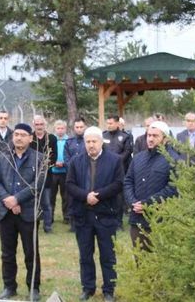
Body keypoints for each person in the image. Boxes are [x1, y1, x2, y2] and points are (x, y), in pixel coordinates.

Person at [66, 126, 123, 302]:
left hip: (106, 214)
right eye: (88, 141)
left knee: (107, 255)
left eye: (94, 141)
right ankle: (88, 288)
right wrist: (86, 196)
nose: (91, 145)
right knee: (85, 255)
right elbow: (69, 184)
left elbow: (118, 183)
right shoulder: (76, 161)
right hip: (83, 215)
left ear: (101, 142)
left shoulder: (114, 160)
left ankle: (109, 290)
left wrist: (98, 196)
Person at [0, 123, 46, 301]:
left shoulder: (40, 159)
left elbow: (38, 185)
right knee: (7, 253)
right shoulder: (3, 158)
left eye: (23, 134)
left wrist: (17, 199)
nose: (19, 137)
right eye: (16, 134)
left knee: (31, 253)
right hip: (6, 213)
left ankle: (34, 288)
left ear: (31, 138)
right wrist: (8, 199)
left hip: (28, 214)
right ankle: (9, 287)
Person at [124, 121, 180, 250]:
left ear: (165, 139)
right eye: (149, 135)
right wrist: (133, 202)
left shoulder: (173, 159)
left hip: (161, 220)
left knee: (160, 262)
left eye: (155, 136)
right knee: (140, 262)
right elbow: (128, 181)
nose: (150, 139)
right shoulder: (138, 158)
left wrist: (147, 204)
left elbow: (172, 188)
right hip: (137, 219)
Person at [103, 115, 132, 229]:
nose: (109, 125)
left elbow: (127, 151)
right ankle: (107, 219)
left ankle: (118, 223)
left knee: (119, 198)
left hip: (120, 170)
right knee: (106, 195)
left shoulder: (125, 136)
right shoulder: (103, 135)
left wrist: (115, 162)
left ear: (117, 124)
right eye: (108, 123)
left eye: (111, 123)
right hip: (105, 170)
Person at [30, 115, 57, 233]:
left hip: (46, 175)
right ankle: (33, 226)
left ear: (44, 125)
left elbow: (54, 156)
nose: (39, 126)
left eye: (41, 124)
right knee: (32, 203)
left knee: (46, 203)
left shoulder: (51, 138)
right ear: (33, 125)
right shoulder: (30, 138)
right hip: (31, 175)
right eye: (37, 124)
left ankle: (48, 226)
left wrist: (45, 165)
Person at [50, 120, 69, 226]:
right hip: (53, 171)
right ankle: (50, 217)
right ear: (55, 129)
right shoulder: (52, 140)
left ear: (65, 129)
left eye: (62, 128)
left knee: (66, 196)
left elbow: (70, 154)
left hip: (65, 172)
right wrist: (54, 162)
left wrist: (64, 163)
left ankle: (67, 217)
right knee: (51, 196)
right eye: (58, 128)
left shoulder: (69, 140)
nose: (60, 130)